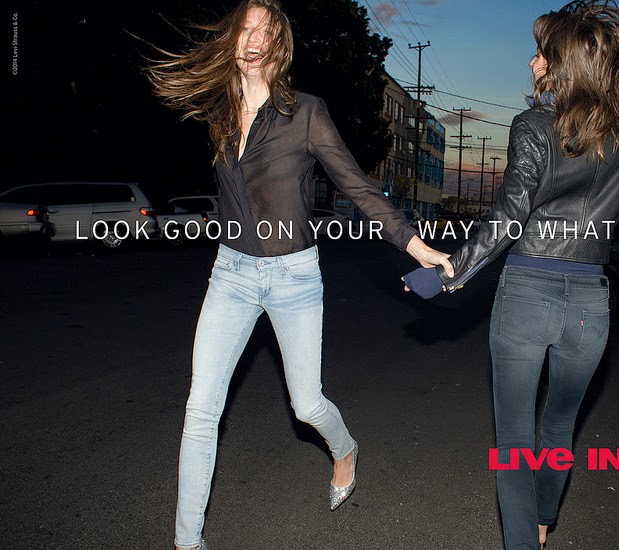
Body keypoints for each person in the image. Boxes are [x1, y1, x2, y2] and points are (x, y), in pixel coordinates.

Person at [402, 1, 619, 549]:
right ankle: (544, 520)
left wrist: (449, 274)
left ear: (562, 65)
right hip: (590, 306)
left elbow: (512, 214)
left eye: (540, 54)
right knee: (560, 424)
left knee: (515, 439)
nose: (531, 62)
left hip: (526, 296)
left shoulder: (533, 126)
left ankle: (527, 538)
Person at [146, 1, 453, 548]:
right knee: (201, 409)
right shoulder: (219, 110)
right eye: (245, 28)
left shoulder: (306, 112)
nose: (253, 38)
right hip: (231, 274)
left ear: (278, 44)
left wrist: (414, 244)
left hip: (293, 277)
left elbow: (356, 186)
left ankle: (345, 449)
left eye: (265, 31)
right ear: (233, 38)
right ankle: (187, 542)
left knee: (307, 404)